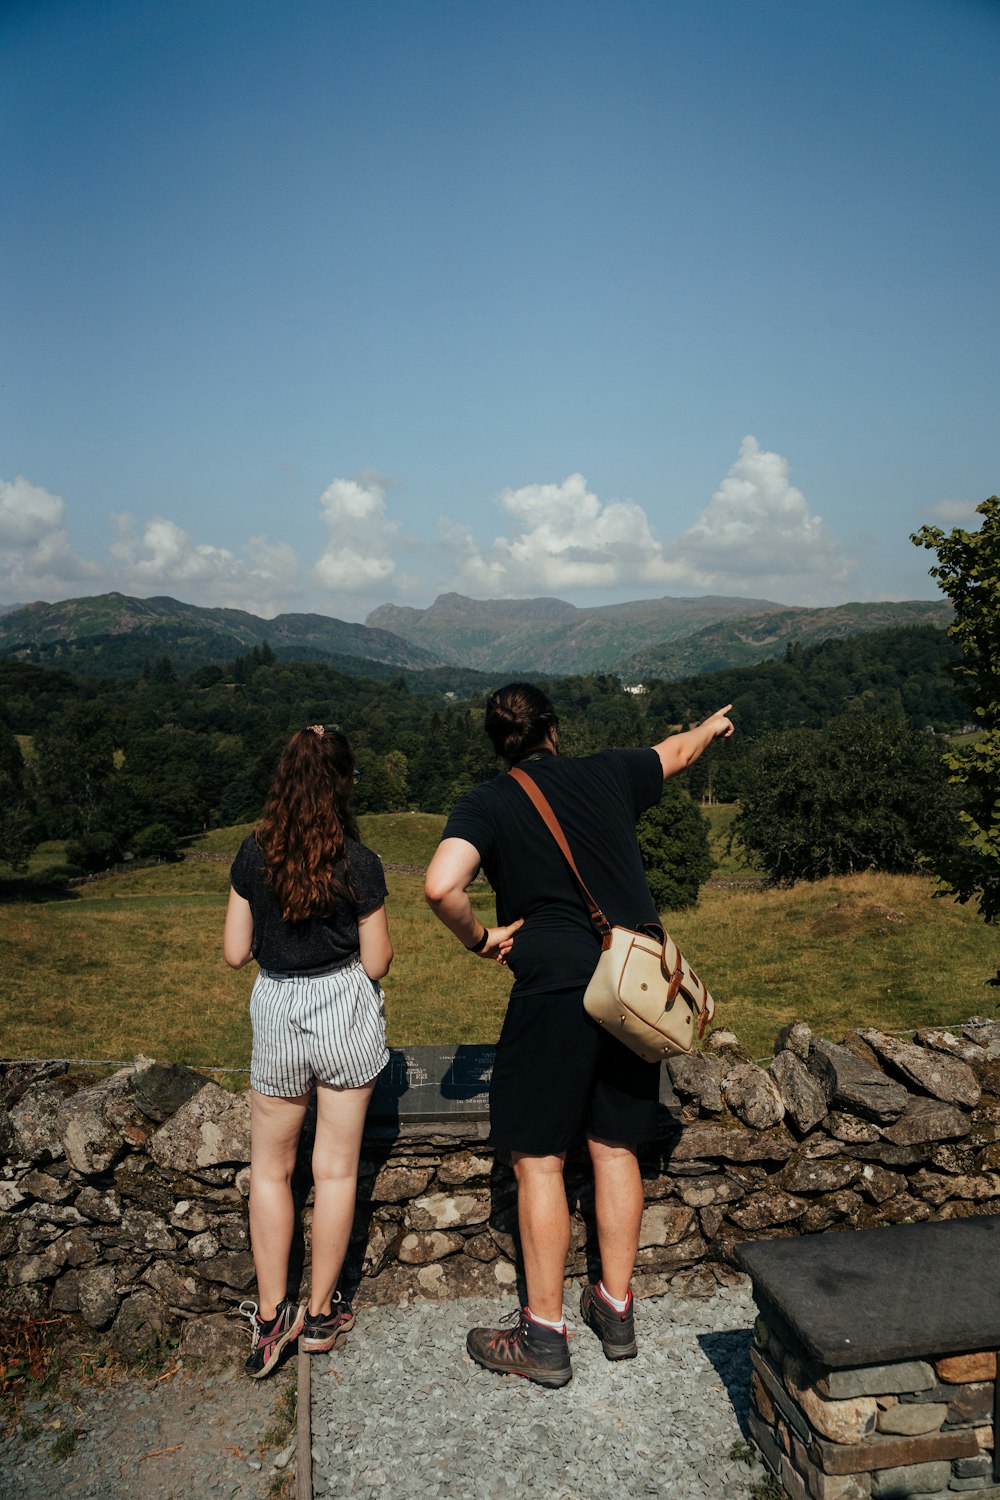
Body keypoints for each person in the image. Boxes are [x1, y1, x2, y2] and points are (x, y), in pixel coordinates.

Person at [424, 684, 733, 1389]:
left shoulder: (487, 801)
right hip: (630, 987)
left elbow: (441, 884)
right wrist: (712, 726)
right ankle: (617, 1311)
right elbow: (676, 752)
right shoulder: (608, 771)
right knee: (616, 1145)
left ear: (497, 743)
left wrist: (481, 940)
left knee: (538, 1160)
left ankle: (544, 1335)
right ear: (554, 731)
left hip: (554, 987)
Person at [223, 725, 393, 1379]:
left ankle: (272, 1318)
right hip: (344, 1006)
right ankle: (320, 1316)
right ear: (344, 784)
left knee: (271, 1170)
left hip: (277, 1010)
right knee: (337, 1171)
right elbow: (375, 961)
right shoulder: (360, 862)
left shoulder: (251, 854)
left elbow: (237, 952)